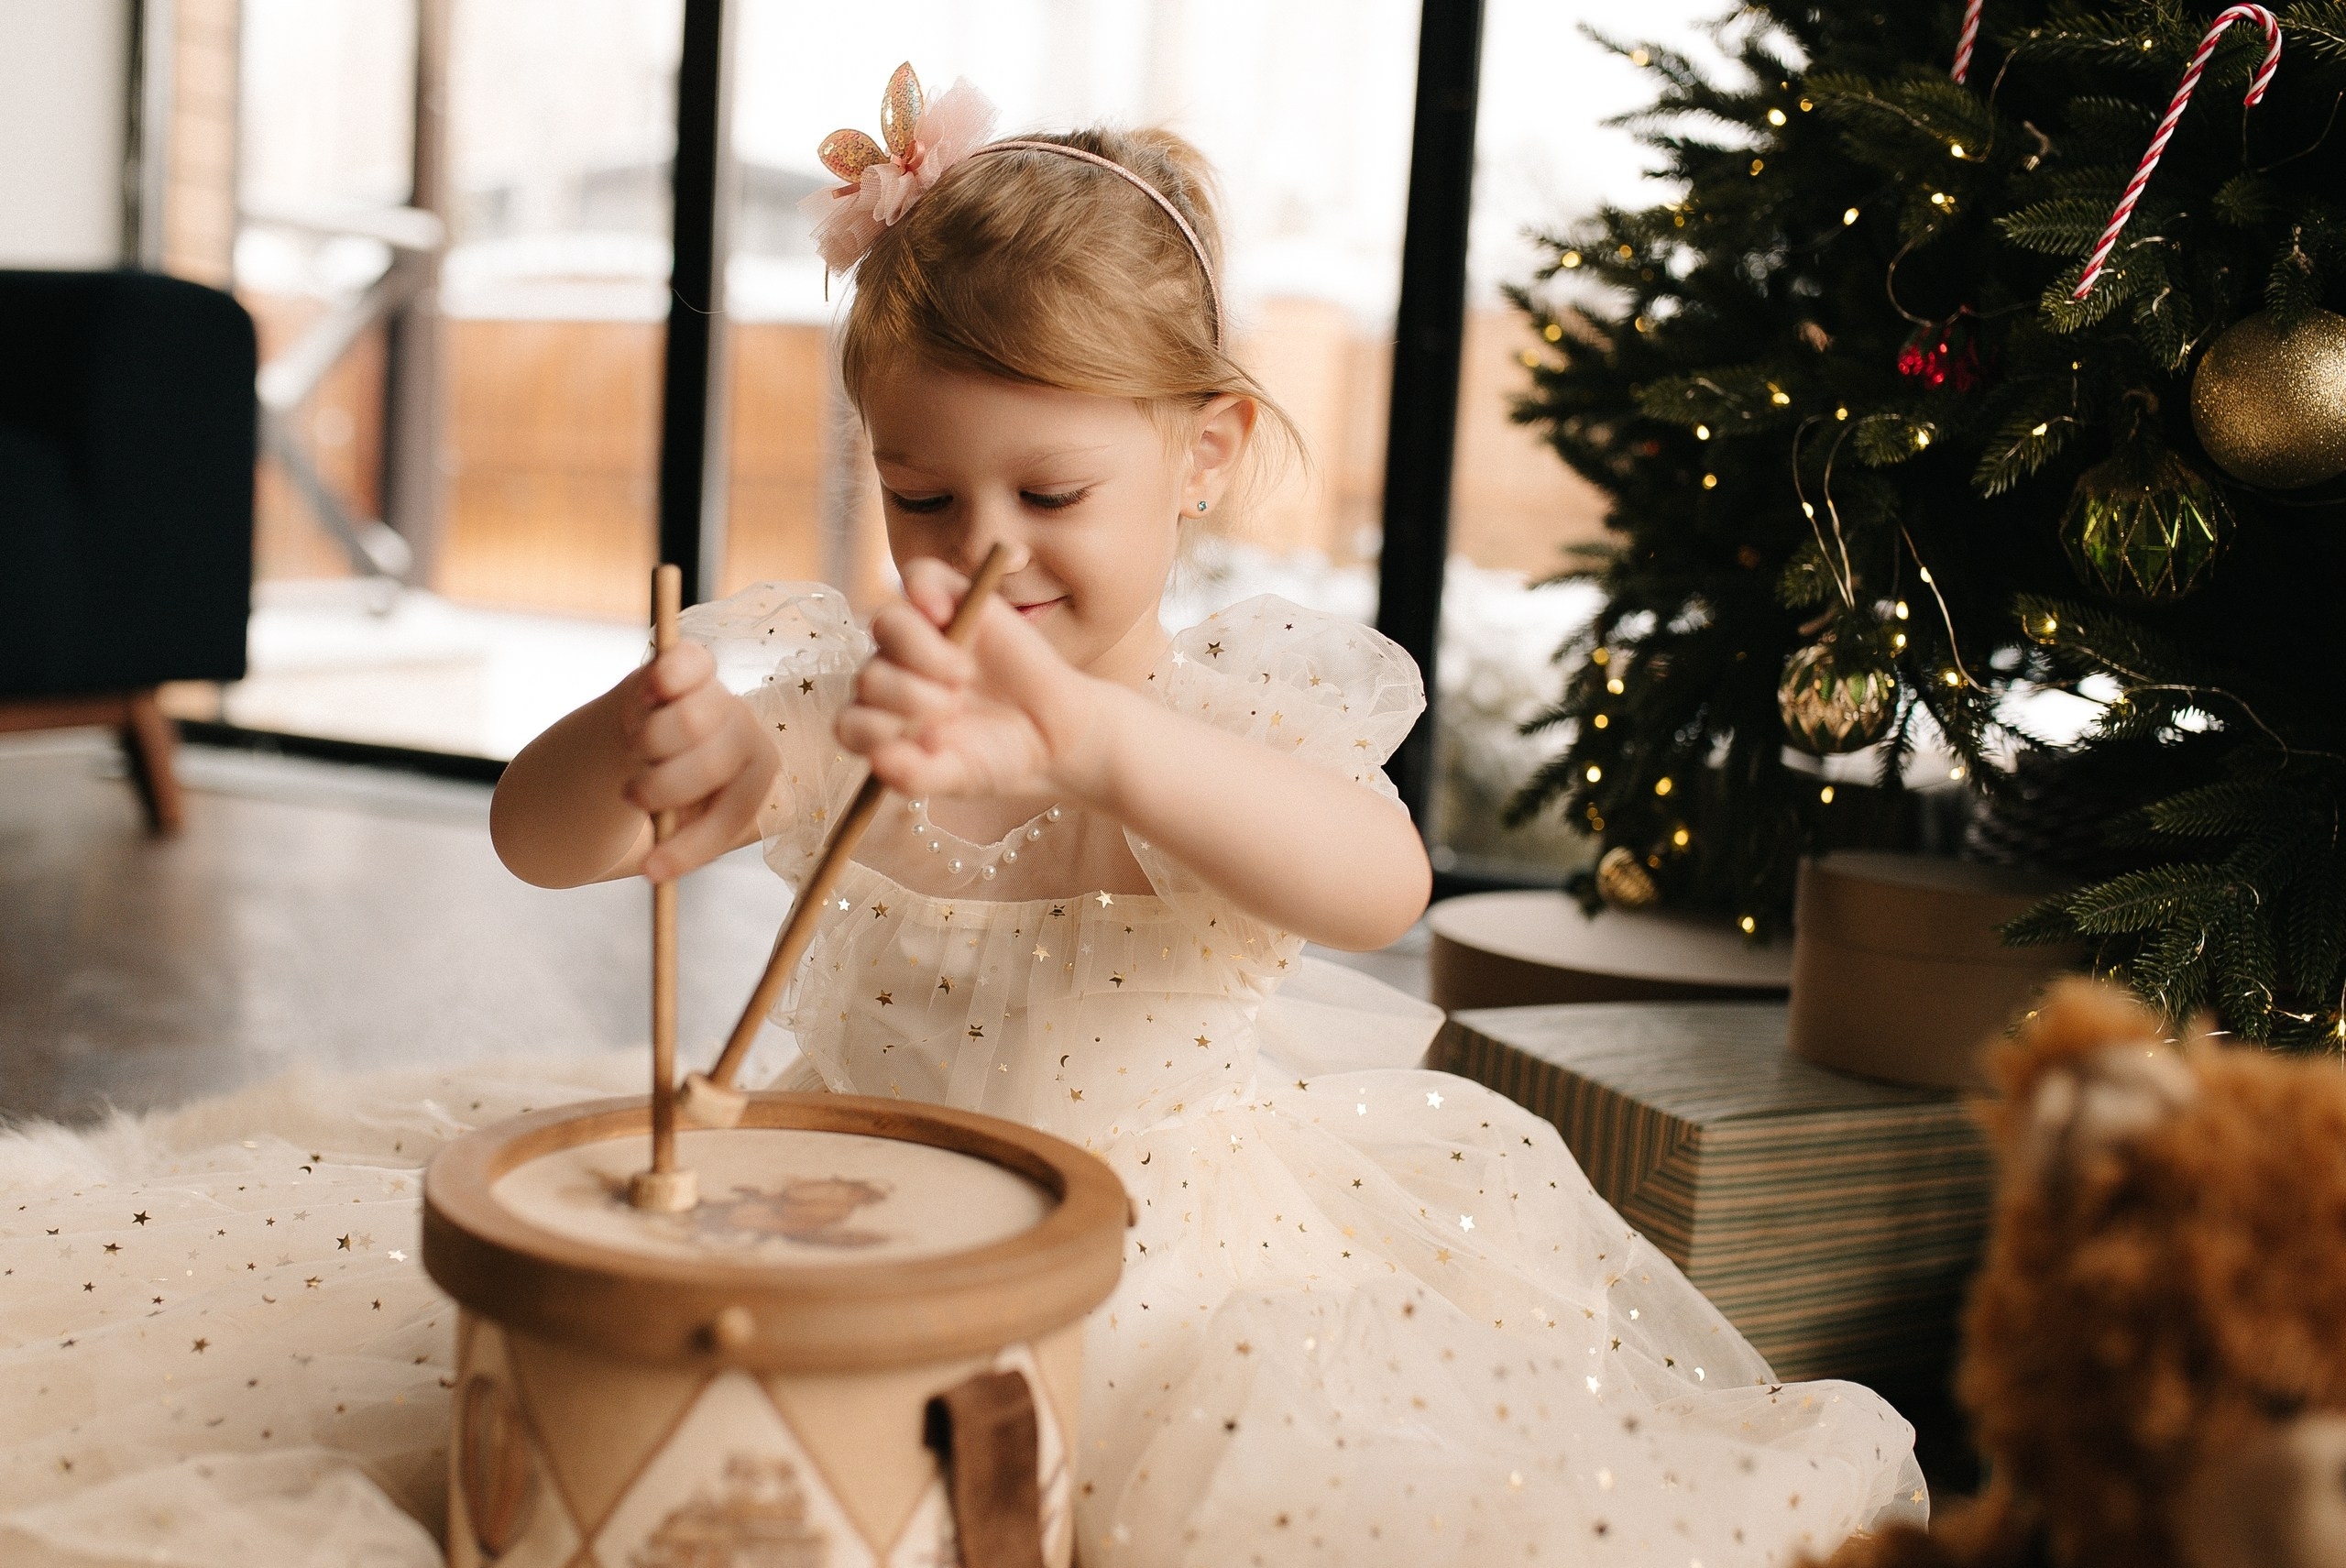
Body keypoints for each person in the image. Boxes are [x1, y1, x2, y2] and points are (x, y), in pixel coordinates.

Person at [488, 72, 1926, 1566]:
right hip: (851, 1222)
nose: (984, 551)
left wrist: (1095, 741)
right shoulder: (858, 701)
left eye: (1051, 492)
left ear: (1206, 455)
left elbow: (1380, 890)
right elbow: (539, 841)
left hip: (1160, 1269)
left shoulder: (1223, 727)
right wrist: (640, 743)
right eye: (920, 497)